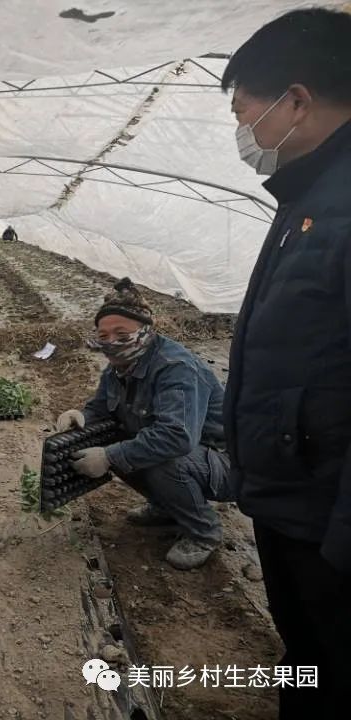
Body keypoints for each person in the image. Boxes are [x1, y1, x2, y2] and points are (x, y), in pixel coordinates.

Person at [221, 8, 351, 718]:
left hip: (326, 531)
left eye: (244, 112)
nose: (244, 133)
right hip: (294, 505)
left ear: (295, 101)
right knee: (306, 661)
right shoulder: (309, 196)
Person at [56, 278, 233, 570]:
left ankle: (203, 532)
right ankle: (167, 507)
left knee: (155, 456)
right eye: (104, 335)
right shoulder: (120, 367)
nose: (111, 341)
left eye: (121, 333)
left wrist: (110, 456)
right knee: (121, 441)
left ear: (145, 331)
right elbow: (102, 407)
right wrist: (82, 415)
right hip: (193, 455)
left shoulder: (175, 368)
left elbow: (177, 437)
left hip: (226, 463)